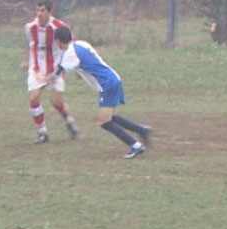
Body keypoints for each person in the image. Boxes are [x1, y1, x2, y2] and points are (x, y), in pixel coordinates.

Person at [50, 27, 152, 159]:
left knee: (104, 122)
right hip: (113, 78)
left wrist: (45, 79)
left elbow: (58, 73)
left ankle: (135, 145)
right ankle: (142, 130)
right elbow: (88, 61)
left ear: (58, 41)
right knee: (111, 117)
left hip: (107, 84)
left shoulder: (69, 54)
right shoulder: (82, 44)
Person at [22, 0, 78, 144]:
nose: (39, 14)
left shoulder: (58, 26)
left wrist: (74, 65)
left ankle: (69, 121)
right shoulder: (29, 27)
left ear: (49, 12)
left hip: (55, 67)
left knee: (56, 102)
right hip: (36, 68)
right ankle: (42, 132)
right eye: (37, 10)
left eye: (42, 11)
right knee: (33, 98)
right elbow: (29, 44)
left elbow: (71, 43)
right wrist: (27, 60)